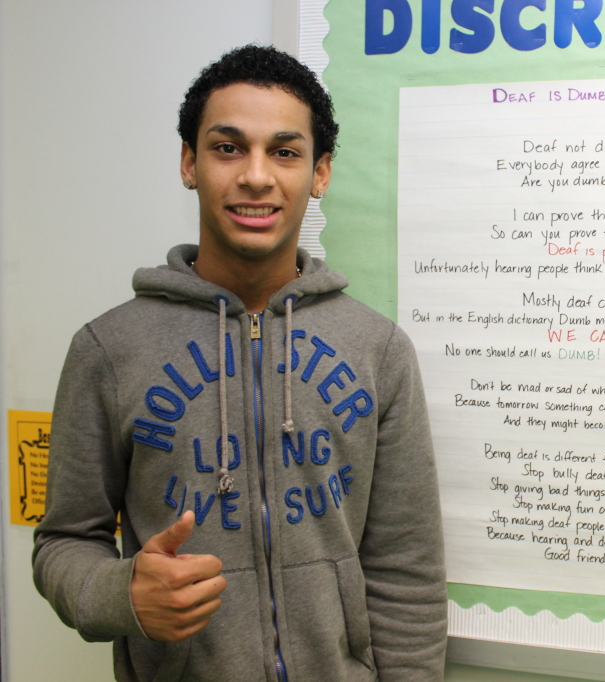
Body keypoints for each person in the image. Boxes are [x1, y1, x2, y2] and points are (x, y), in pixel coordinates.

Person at [32, 44, 447, 681]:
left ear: (321, 173)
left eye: (285, 151)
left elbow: (406, 571)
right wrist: (122, 596)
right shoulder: (107, 350)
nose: (256, 176)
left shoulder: (378, 350)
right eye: (228, 147)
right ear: (188, 163)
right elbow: (63, 541)